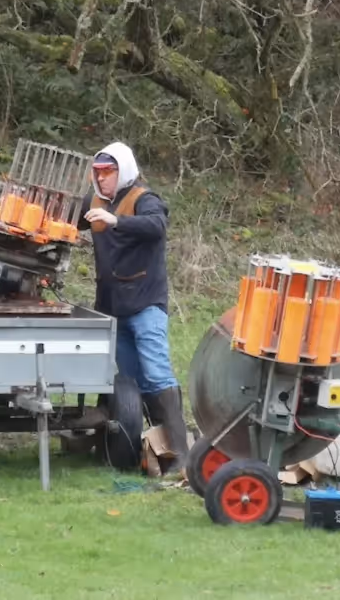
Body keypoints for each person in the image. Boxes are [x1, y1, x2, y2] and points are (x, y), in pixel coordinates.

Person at [78, 141, 189, 474]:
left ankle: (181, 455)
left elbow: (156, 226)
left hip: (145, 304)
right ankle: (134, 448)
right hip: (113, 307)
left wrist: (114, 220)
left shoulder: (145, 199)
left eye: (108, 173)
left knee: (157, 377)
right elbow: (67, 217)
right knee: (127, 382)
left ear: (123, 171)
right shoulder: (94, 201)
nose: (101, 179)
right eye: (97, 173)